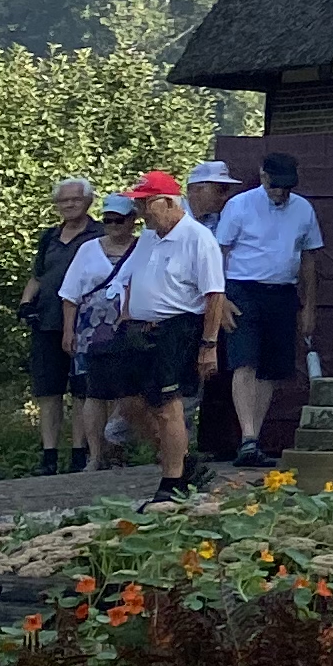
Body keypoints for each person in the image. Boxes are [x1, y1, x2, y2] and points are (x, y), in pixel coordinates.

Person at [98, 167, 230, 496]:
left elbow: (214, 294)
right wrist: (127, 314)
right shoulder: (148, 238)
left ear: (168, 202)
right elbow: (130, 277)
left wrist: (208, 344)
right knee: (130, 401)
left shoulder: (198, 239)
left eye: (146, 204)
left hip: (176, 328)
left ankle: (171, 482)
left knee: (168, 403)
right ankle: (178, 458)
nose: (140, 212)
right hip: (138, 329)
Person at [211, 151, 326, 469]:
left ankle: (253, 440)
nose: (280, 192)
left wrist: (309, 307)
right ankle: (247, 436)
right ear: (263, 177)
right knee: (244, 360)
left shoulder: (303, 209)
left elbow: (309, 259)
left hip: (283, 292)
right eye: (275, 186)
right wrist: (219, 298)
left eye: (286, 187)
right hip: (243, 289)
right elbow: (220, 251)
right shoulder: (240, 205)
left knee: (271, 369)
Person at [56, 191, 151, 474]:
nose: (113, 225)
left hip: (131, 327)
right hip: (91, 331)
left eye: (119, 220)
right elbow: (70, 294)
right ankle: (95, 456)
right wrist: (68, 331)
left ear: (132, 220)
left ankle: (118, 449)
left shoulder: (145, 247)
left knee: (129, 391)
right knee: (92, 393)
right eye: (107, 220)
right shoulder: (88, 249)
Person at [16, 176, 103, 477]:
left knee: (82, 389)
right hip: (47, 321)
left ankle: (80, 453)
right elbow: (37, 277)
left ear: (88, 201)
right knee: (48, 391)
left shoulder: (100, 234)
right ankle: (49, 456)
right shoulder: (48, 238)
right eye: (62, 201)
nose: (68, 205)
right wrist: (26, 304)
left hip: (87, 324)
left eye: (74, 200)